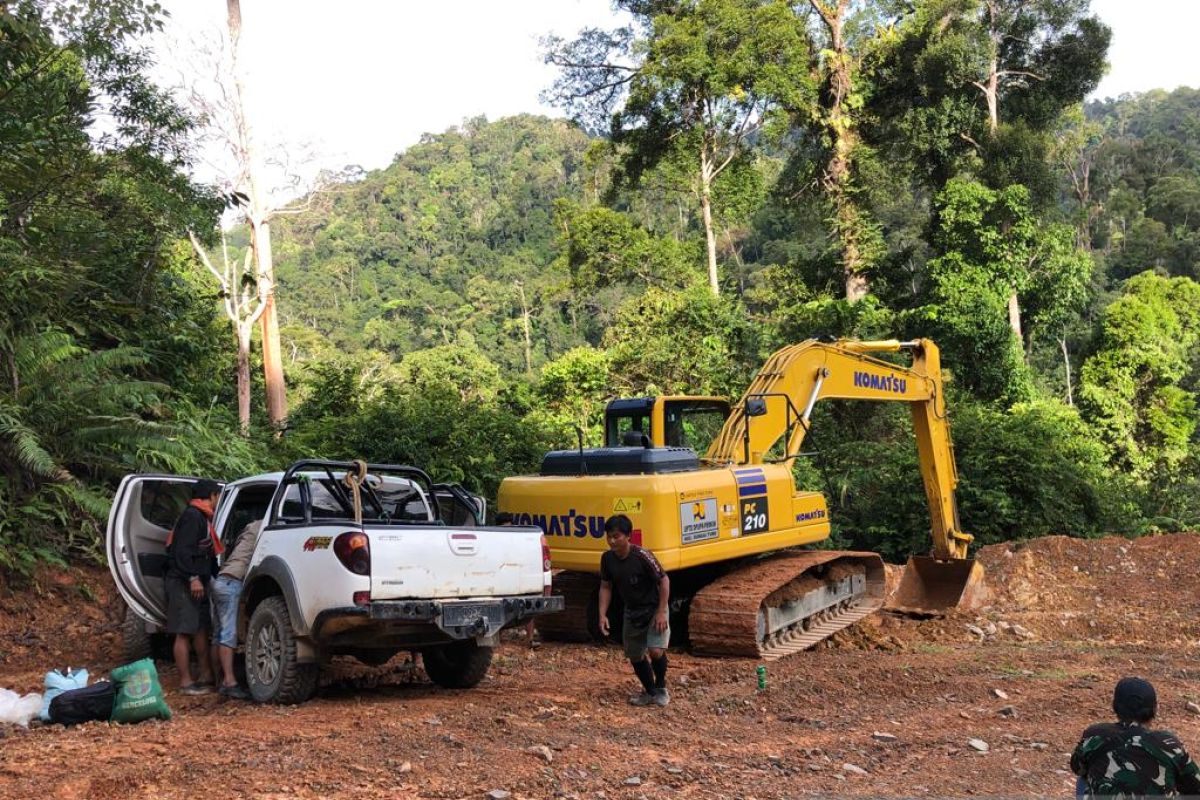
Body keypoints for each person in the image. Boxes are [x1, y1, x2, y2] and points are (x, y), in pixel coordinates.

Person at [1072, 676, 1200, 797]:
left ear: (1115, 706)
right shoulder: (1168, 743)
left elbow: (1077, 767)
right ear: (1155, 709)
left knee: (1084, 778)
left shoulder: (1095, 734)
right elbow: (1195, 786)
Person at [598, 514, 670, 707]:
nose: (612, 541)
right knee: (635, 654)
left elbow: (663, 580)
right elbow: (606, 586)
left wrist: (662, 611)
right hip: (632, 612)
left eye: (617, 536)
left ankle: (661, 687)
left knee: (655, 650)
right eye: (609, 537)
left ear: (628, 536)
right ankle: (649, 691)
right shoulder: (607, 559)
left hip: (653, 608)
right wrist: (602, 614)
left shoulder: (643, 556)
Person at [165, 479, 224, 695]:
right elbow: (181, 552)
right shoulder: (193, 517)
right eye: (218, 496)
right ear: (211, 496)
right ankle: (185, 682)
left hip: (198, 581)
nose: (218, 500)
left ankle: (206, 675)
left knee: (200, 628)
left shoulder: (202, 517)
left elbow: (205, 554)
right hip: (183, 582)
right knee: (184, 630)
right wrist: (192, 578)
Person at [209, 519, 261, 700]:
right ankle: (229, 682)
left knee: (218, 633)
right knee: (228, 634)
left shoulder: (250, 526)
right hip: (232, 582)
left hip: (221, 580)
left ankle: (217, 680)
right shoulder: (266, 526)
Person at [496, 512, 544, 647]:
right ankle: (497, 639)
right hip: (501, 581)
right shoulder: (494, 542)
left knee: (527, 606)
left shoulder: (517, 539)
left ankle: (529, 639)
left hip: (518, 578)